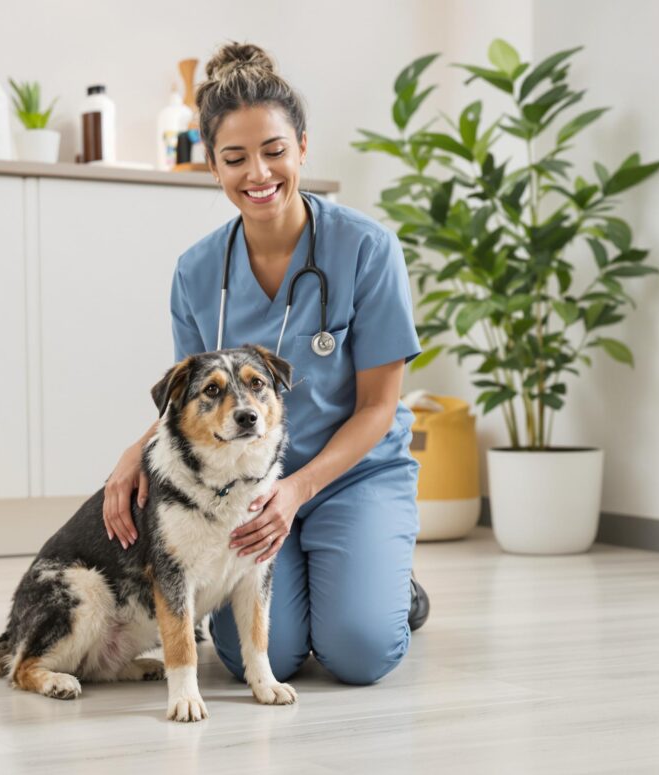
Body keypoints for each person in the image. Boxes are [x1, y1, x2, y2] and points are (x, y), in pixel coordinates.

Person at [102, 41, 429, 686]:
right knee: (268, 658)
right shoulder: (196, 272)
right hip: (240, 488)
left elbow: (378, 407)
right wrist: (132, 453)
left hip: (351, 474)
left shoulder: (367, 250)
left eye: (275, 151)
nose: (259, 173)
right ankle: (333, 578)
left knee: (359, 652)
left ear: (303, 147)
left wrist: (300, 488)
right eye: (235, 158)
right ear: (212, 167)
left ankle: (393, 588)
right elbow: (189, 404)